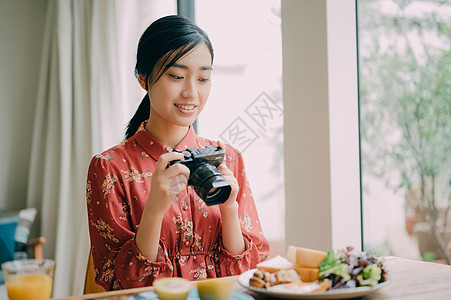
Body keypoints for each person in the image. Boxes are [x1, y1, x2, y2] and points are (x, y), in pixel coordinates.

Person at [86, 15, 269, 291]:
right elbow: (120, 281)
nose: (191, 92)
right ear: (143, 78)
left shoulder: (229, 158)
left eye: (203, 78)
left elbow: (248, 272)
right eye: (176, 76)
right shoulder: (110, 168)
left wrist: (229, 209)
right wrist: (155, 207)